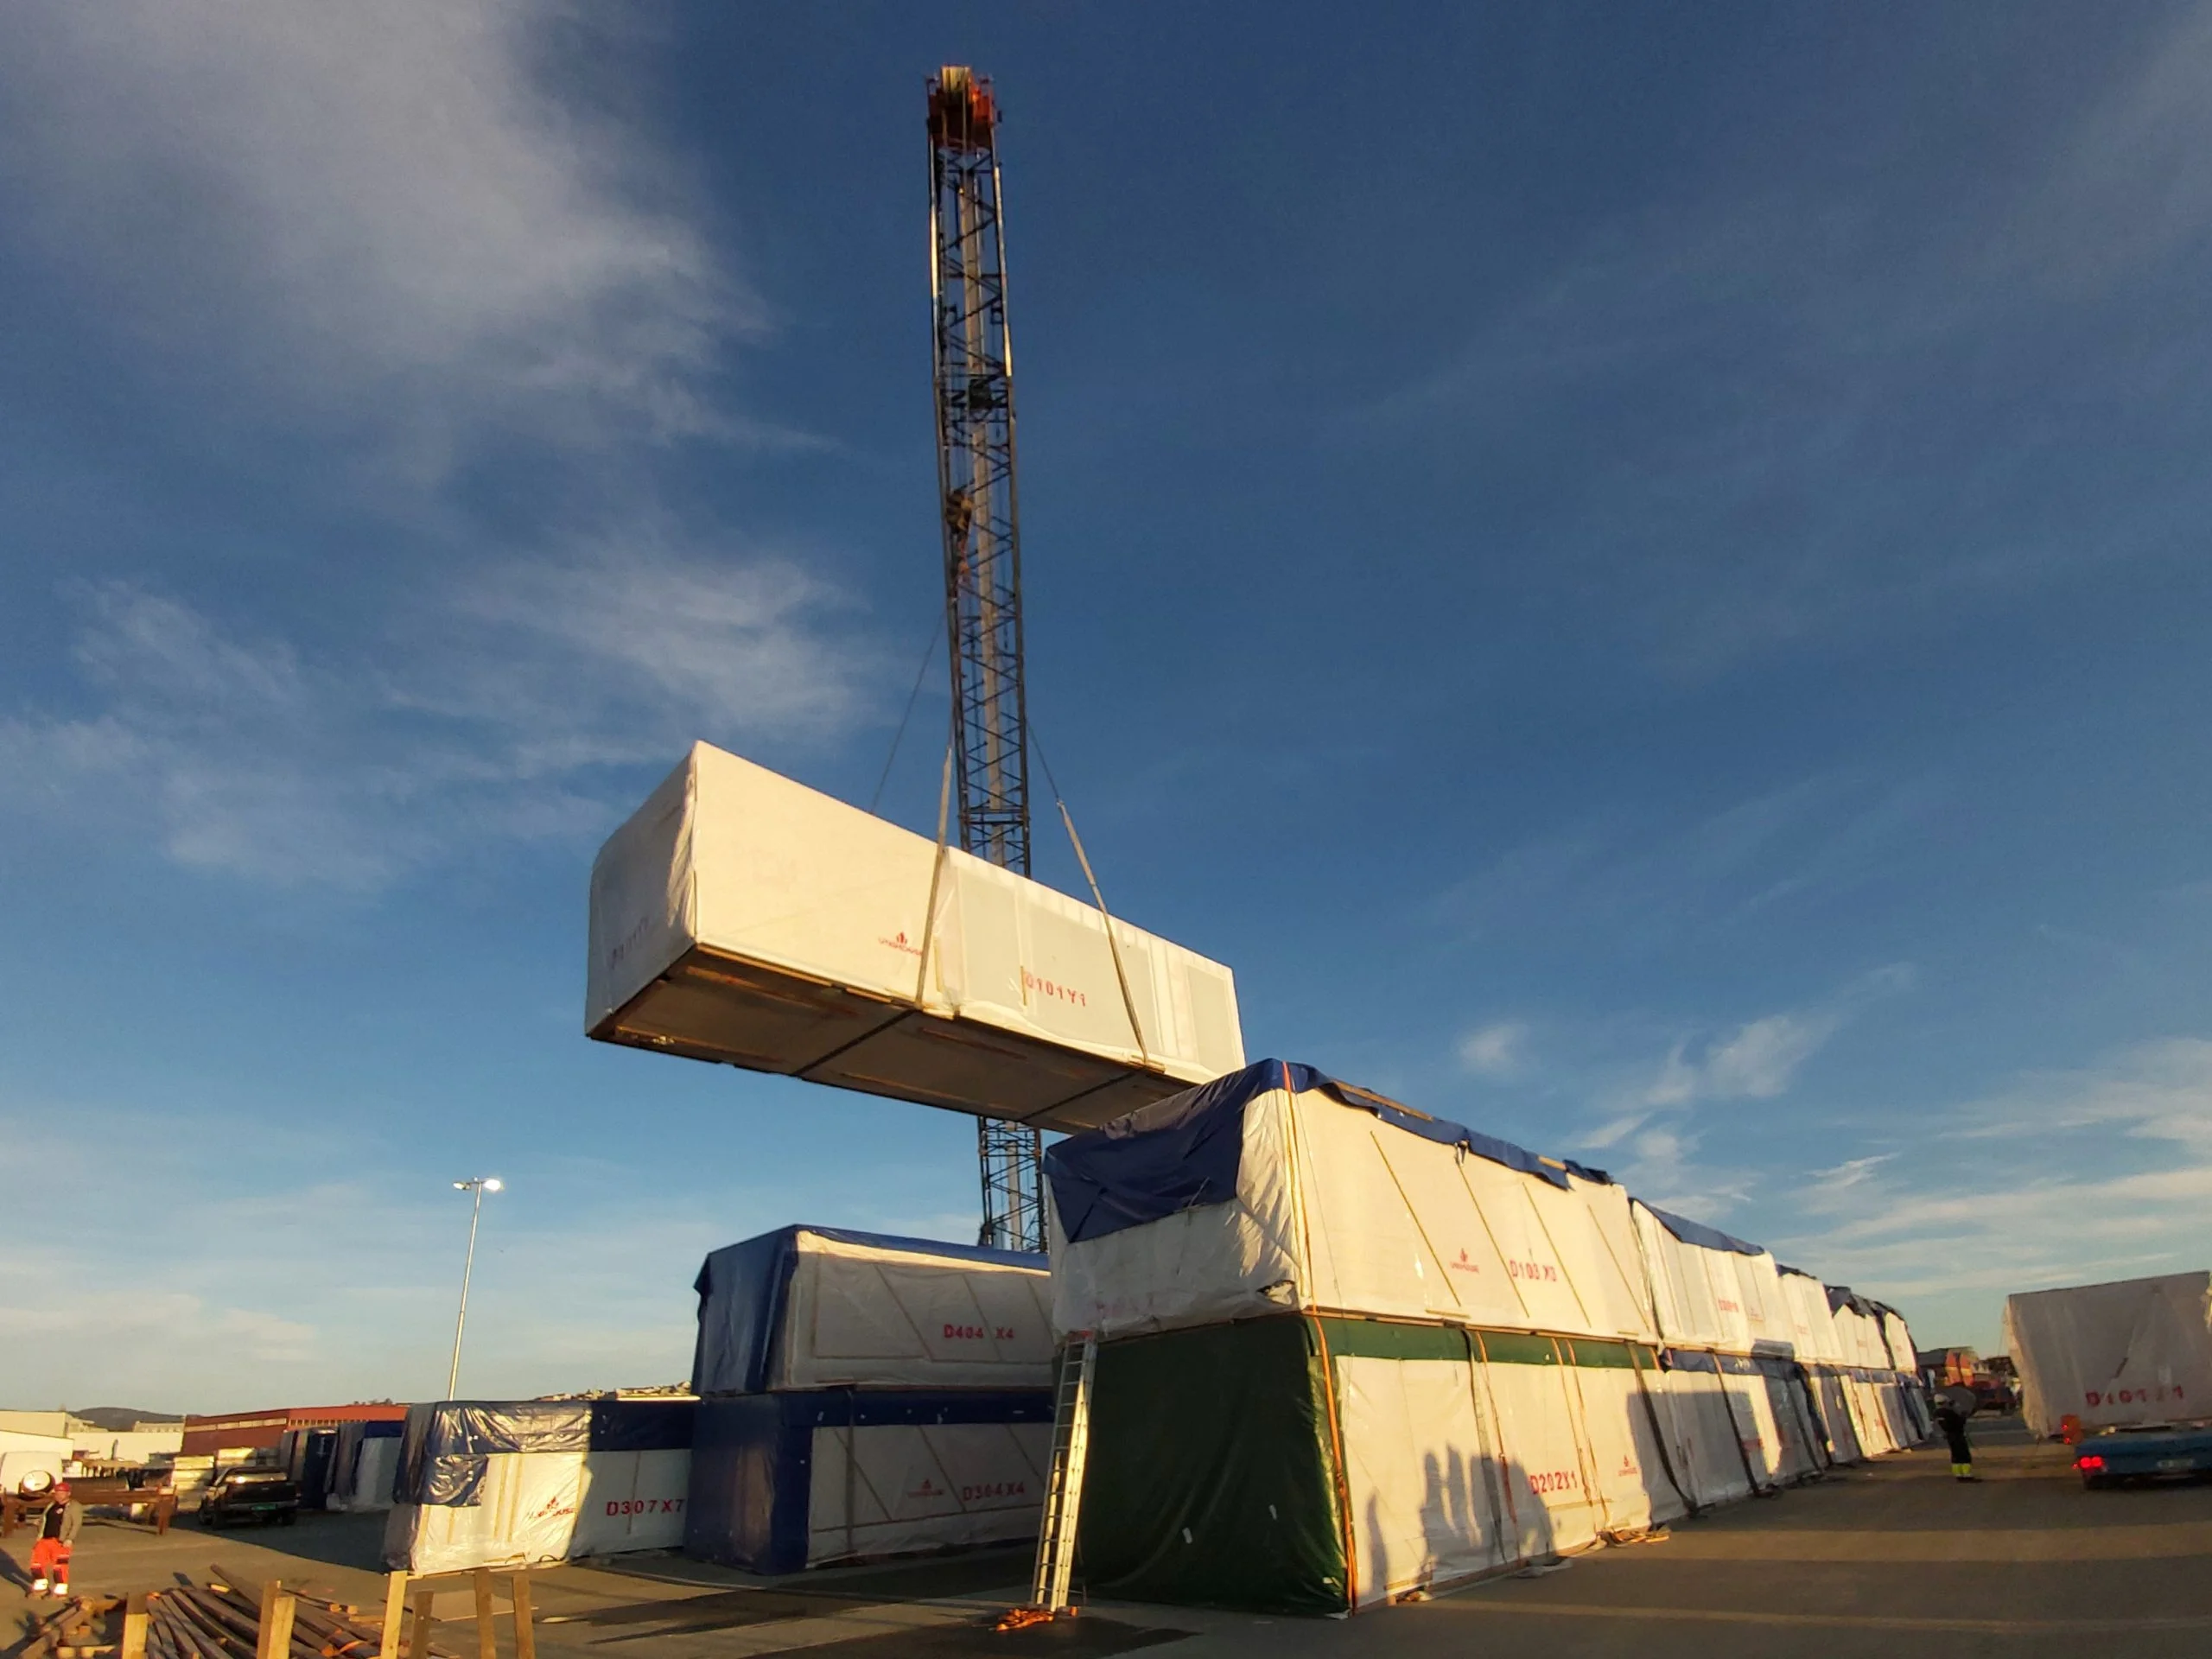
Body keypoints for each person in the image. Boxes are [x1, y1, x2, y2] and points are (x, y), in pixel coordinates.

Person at [29, 1479, 83, 1597]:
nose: (58, 1495)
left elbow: (76, 1524)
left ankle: (60, 1589)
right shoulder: (51, 1505)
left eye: (61, 1492)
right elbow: (45, 1517)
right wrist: (39, 1522)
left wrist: (70, 1539)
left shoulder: (74, 1506)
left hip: (60, 1541)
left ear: (68, 1493)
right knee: (36, 1563)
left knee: (59, 1566)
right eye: (56, 1492)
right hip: (44, 1539)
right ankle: (40, 1585)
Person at [1933, 1396, 1978, 1482]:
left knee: (1955, 1456)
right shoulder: (1950, 1413)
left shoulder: (1937, 1413)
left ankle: (1958, 1475)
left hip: (1949, 1436)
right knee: (1964, 1455)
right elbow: (1959, 1423)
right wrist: (1962, 1416)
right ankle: (1967, 1475)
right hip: (1957, 1435)